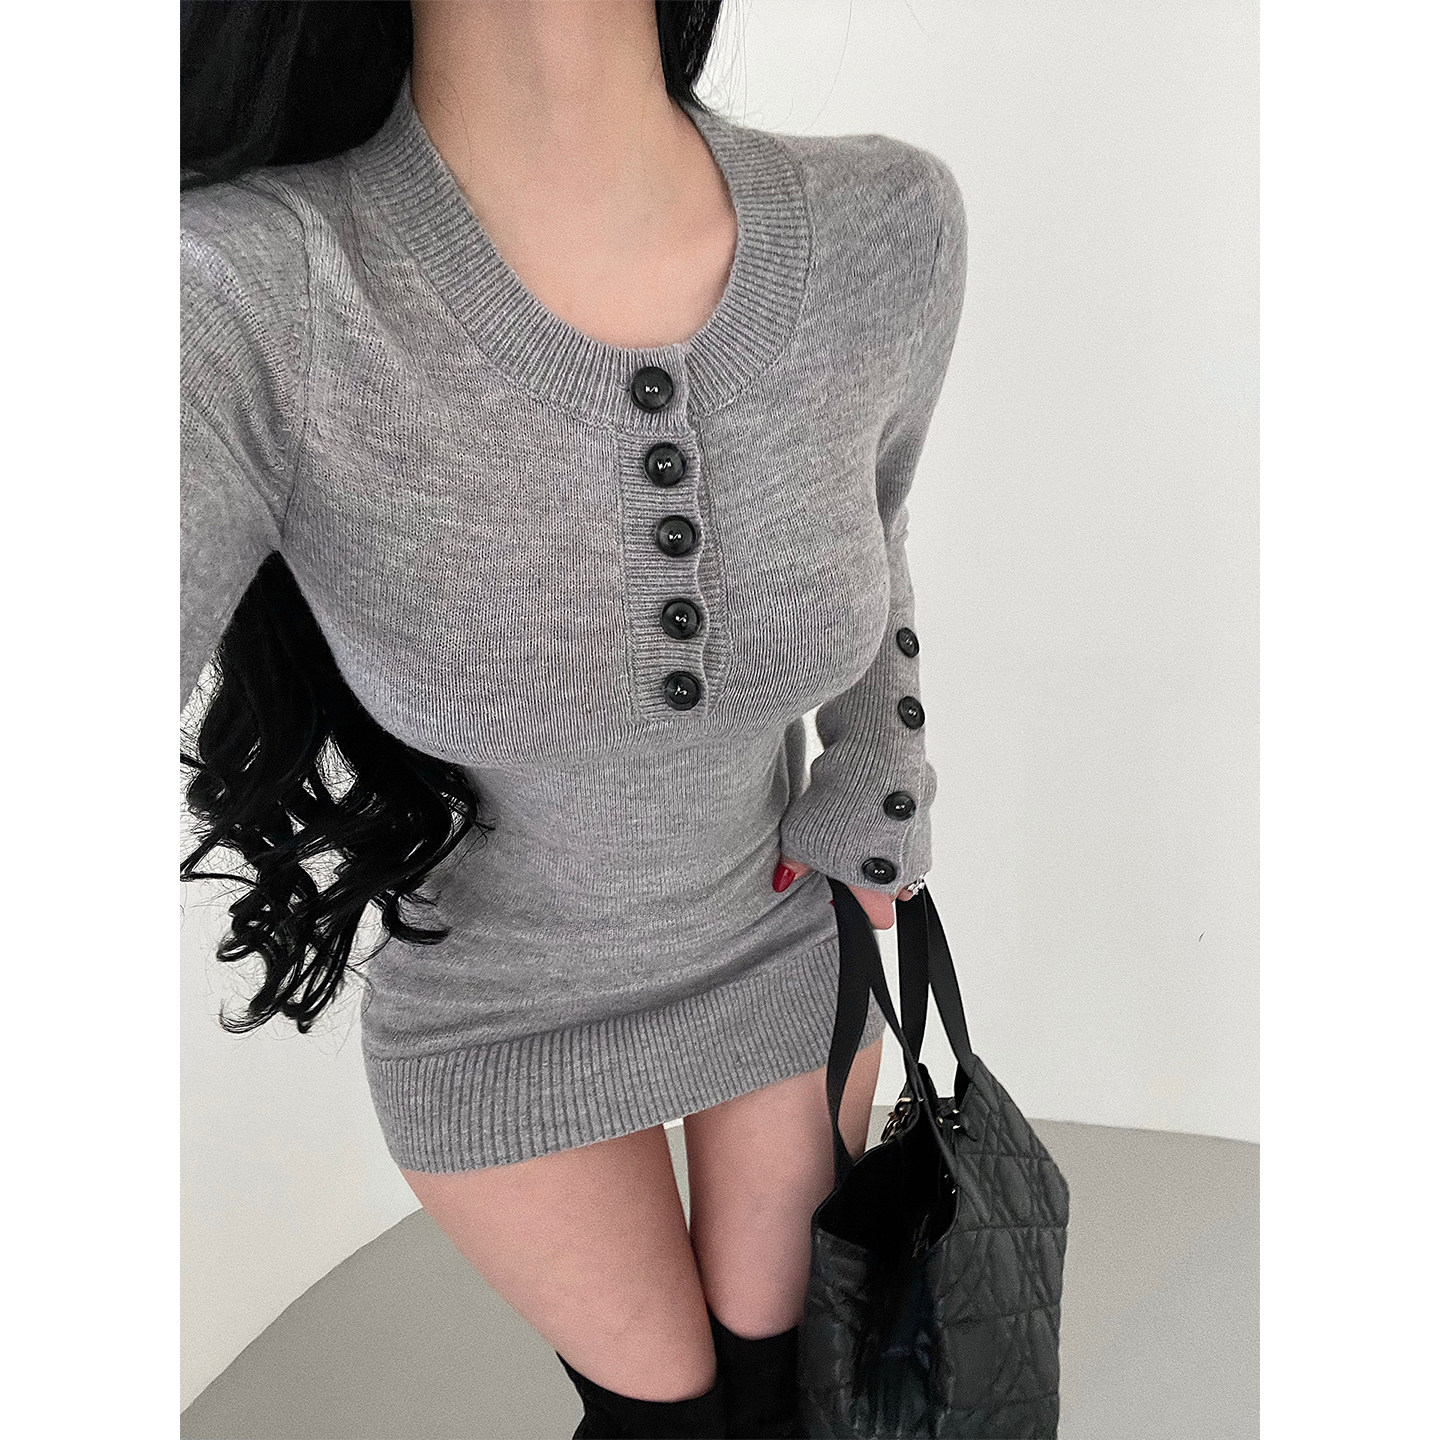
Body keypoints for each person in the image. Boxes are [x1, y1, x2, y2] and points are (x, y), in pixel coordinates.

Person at [180, 2, 966, 1435]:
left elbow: (877, 522)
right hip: (496, 1016)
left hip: (781, 941)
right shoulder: (245, 292)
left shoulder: (884, 219)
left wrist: (881, 794)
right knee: (665, 1419)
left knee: (791, 1397)